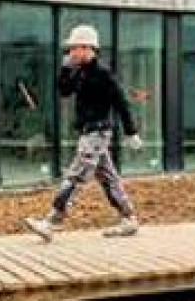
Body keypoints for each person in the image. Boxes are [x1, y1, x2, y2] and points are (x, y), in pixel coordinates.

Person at [25, 24, 142, 241]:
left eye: (74, 48)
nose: (70, 52)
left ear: (88, 48)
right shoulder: (80, 72)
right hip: (88, 132)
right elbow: (64, 91)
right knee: (108, 178)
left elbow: (121, 103)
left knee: (77, 175)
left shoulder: (103, 74)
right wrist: (65, 69)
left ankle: (52, 221)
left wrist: (131, 131)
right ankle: (129, 218)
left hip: (98, 132)